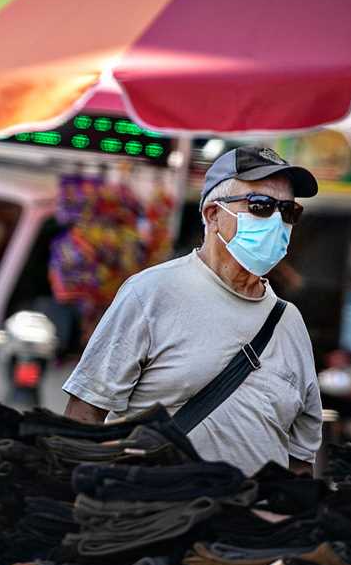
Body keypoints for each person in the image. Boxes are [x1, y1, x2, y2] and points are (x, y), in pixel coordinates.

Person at [62, 146, 323, 476]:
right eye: (260, 206)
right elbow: (84, 413)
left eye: (288, 211)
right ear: (213, 215)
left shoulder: (290, 323)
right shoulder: (151, 294)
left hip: (252, 523)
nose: (276, 221)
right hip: (157, 519)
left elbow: (300, 456)